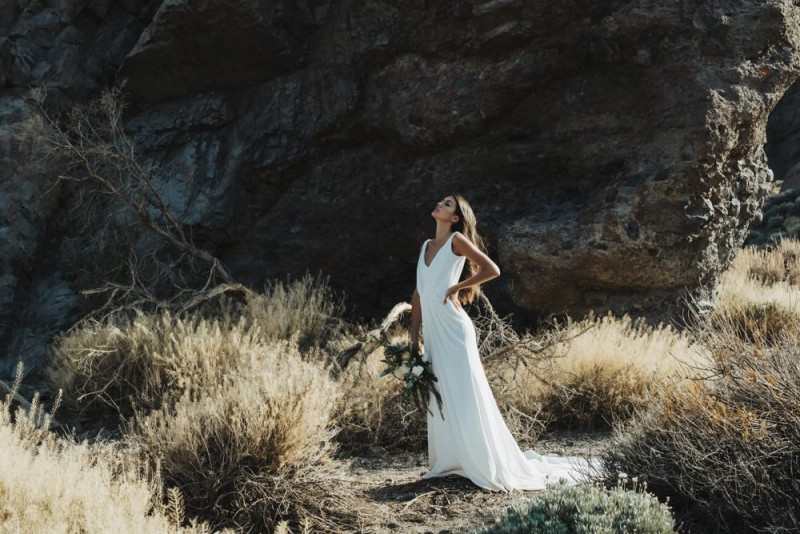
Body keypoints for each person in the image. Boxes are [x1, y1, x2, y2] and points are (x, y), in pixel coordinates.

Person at [410, 194, 598, 491]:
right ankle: (451, 461)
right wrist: (413, 337)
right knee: (441, 391)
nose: (440, 205)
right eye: (441, 202)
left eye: (447, 204)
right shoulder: (425, 246)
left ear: (455, 218)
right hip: (433, 330)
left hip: (454, 328)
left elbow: (492, 270)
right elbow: (418, 293)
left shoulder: (457, 240)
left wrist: (457, 287)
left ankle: (480, 461)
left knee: (464, 391)